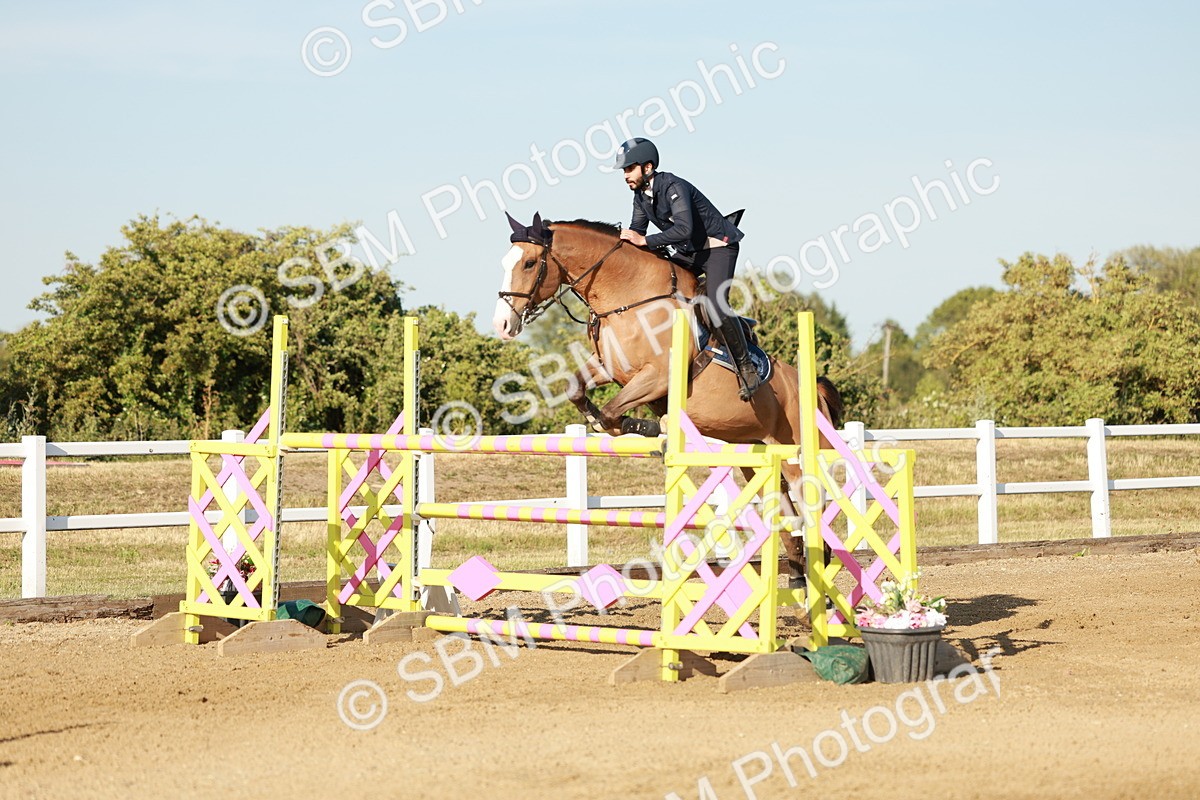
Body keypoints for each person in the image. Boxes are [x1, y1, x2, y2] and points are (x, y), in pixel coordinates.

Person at [614, 137, 761, 400]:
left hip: (718, 247)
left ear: (647, 167)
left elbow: (683, 229)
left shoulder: (673, 186)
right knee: (659, 284)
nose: (625, 175)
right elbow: (637, 232)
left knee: (715, 305)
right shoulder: (640, 197)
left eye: (629, 168)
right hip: (691, 252)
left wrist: (644, 240)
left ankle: (747, 367)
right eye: (624, 170)